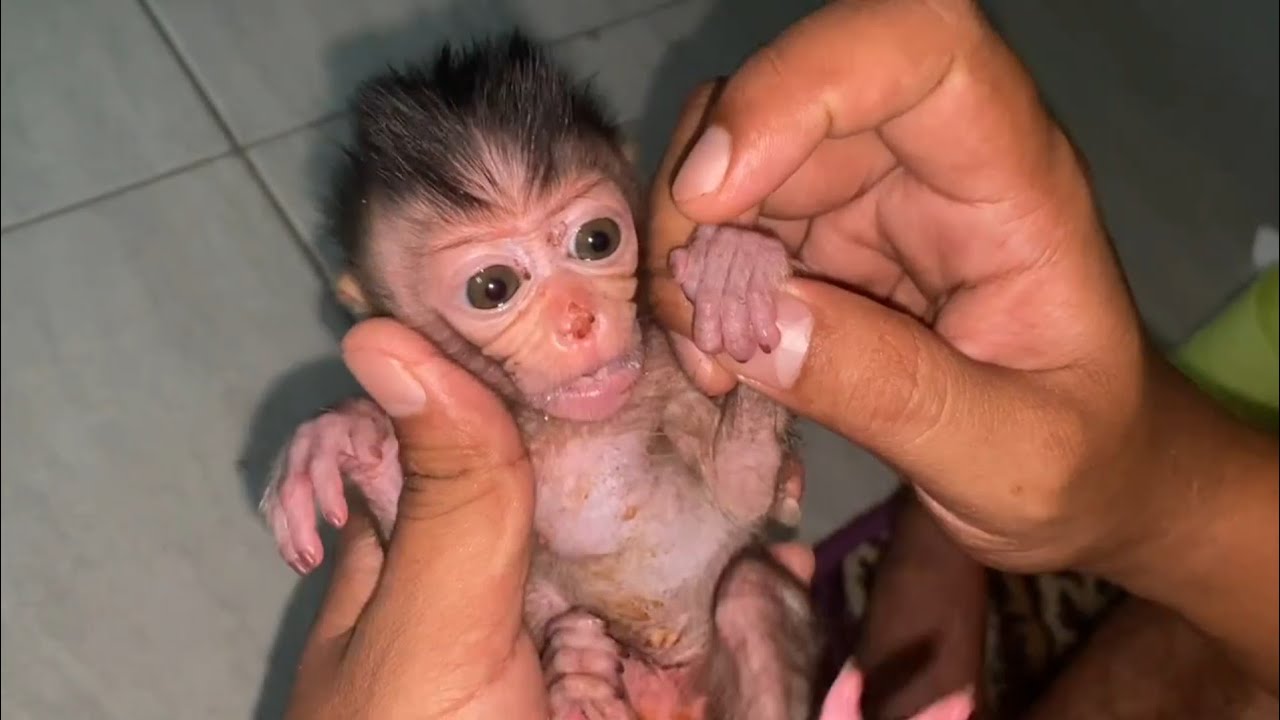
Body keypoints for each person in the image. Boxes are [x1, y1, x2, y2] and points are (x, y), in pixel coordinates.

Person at [282, 0, 1279, 717]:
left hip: (717, 633)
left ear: (629, 191)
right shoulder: (448, 414)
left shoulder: (665, 367)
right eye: (493, 288)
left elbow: (750, 494)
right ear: (382, 317)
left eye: (592, 241)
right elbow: (413, 533)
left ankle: (923, 551)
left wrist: (740, 295)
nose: (581, 316)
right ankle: (934, 543)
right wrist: (349, 439)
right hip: (558, 657)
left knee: (760, 598)